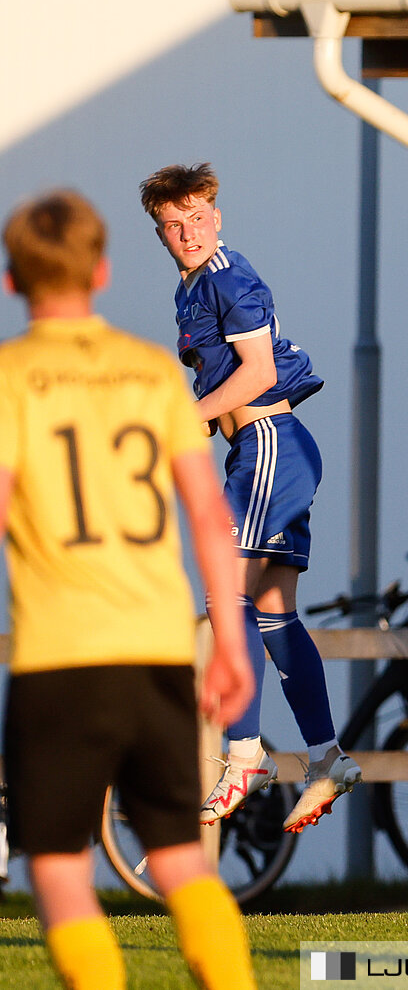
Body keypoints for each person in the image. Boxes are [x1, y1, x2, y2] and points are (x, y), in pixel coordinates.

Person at [1, 190, 258, 990]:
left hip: (60, 658)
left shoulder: (9, 378)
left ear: (12, 281)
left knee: (57, 867)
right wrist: (231, 648)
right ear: (104, 272)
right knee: (183, 859)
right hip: (155, 653)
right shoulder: (152, 372)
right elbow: (211, 521)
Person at [140, 163, 358, 832]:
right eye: (172, 225)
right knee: (270, 610)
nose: (187, 233)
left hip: (270, 445)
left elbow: (260, 373)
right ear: (160, 233)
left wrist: (190, 417)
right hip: (264, 451)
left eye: (197, 218)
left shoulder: (231, 276)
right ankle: (327, 758)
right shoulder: (193, 287)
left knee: (224, 589)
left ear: (218, 217)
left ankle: (244, 754)